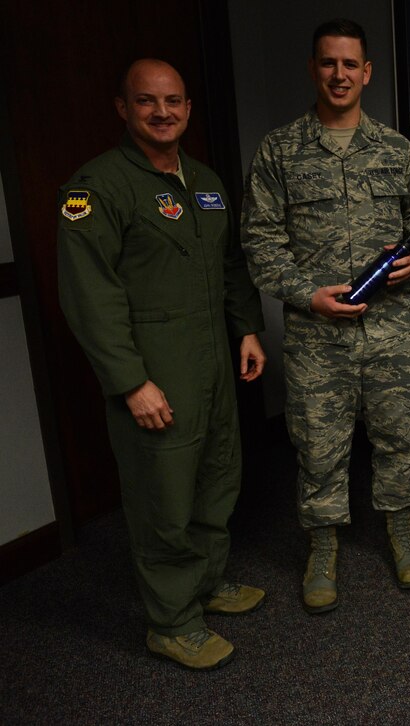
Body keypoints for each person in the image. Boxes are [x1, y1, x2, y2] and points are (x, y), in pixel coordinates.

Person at [57, 59, 267, 670]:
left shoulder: (203, 180)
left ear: (188, 108)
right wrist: (130, 382)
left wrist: (247, 329)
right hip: (154, 370)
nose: (162, 112)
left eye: (173, 101)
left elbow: (230, 265)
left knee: (215, 475)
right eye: (147, 101)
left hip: (214, 363)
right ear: (123, 108)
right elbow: (89, 296)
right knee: (163, 496)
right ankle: (171, 622)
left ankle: (203, 584)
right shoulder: (94, 188)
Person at [241, 19, 410, 611]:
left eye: (350, 64)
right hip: (317, 334)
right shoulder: (280, 149)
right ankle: (322, 545)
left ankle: (400, 529)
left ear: (367, 72)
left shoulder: (397, 149)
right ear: (313, 68)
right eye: (329, 63)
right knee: (318, 442)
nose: (340, 74)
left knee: (400, 433)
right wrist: (306, 294)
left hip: (392, 330)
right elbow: (260, 242)